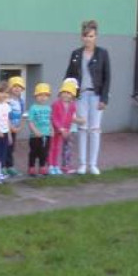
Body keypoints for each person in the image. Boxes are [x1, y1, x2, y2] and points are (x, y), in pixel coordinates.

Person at [65, 19, 111, 175]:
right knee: (82, 128)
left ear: (95, 36)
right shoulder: (76, 54)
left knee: (95, 130)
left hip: (96, 95)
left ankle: (93, 164)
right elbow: (69, 75)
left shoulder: (102, 53)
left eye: (91, 36)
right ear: (81, 36)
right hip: (81, 96)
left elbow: (107, 77)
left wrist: (104, 99)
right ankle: (83, 164)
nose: (88, 39)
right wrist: (69, 94)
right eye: (85, 36)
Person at [49, 81, 82, 175]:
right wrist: (60, 128)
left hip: (64, 131)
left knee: (58, 148)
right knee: (52, 147)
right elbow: (53, 117)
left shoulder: (72, 106)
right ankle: (51, 165)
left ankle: (56, 165)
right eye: (64, 92)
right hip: (55, 130)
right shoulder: (56, 104)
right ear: (60, 93)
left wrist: (67, 129)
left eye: (69, 93)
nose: (66, 95)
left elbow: (70, 118)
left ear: (72, 95)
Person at [27, 83, 53, 176]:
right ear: (36, 96)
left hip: (46, 135)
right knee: (34, 152)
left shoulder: (48, 108)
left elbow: (49, 120)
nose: (43, 97)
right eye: (40, 95)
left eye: (45, 95)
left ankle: (42, 167)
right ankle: (31, 167)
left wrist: (51, 129)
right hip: (35, 136)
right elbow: (30, 121)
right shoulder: (33, 108)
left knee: (44, 152)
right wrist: (35, 131)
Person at [5, 75, 27, 177]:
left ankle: (10, 166)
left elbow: (23, 114)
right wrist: (11, 128)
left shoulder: (21, 101)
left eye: (20, 86)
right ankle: (3, 167)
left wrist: (20, 127)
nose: (17, 88)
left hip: (15, 128)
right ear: (10, 88)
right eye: (15, 86)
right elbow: (5, 116)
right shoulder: (7, 101)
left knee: (11, 148)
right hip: (6, 128)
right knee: (5, 147)